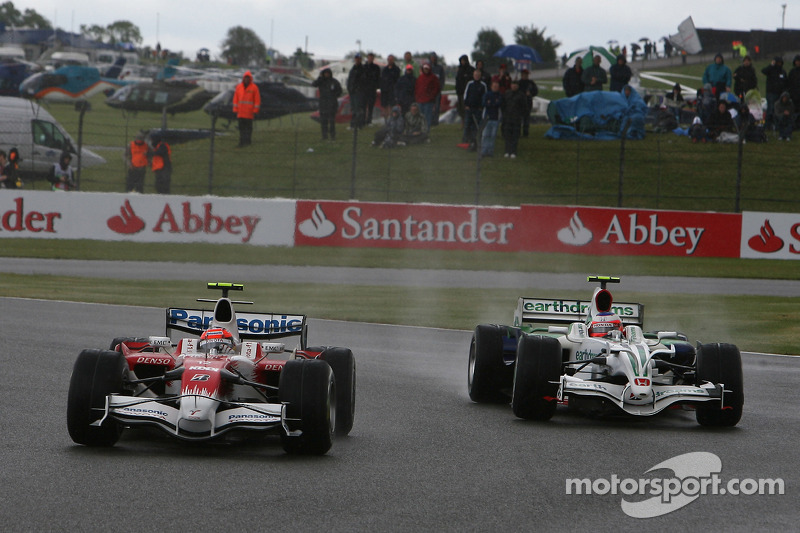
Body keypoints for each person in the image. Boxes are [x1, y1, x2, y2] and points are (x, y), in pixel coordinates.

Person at [312, 67, 343, 141]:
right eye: (325, 73)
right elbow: (314, 84)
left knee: (332, 121)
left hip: (332, 104)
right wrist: (320, 77)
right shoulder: (321, 81)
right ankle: (324, 136)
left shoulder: (334, 82)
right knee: (323, 121)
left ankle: (332, 136)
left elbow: (339, 91)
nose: (326, 75)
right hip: (323, 104)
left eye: (328, 73)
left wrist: (334, 96)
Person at [232, 70, 261, 147]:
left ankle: (248, 141)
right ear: (243, 78)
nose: (246, 79)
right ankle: (242, 142)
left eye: (248, 78)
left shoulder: (254, 88)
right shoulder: (238, 87)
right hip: (241, 113)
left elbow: (257, 100)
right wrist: (235, 109)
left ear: (250, 78)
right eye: (245, 78)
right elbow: (235, 99)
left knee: (248, 128)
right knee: (241, 129)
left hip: (249, 113)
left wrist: (255, 110)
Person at [462, 68, 487, 149]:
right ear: (473, 75)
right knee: (467, 124)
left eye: (478, 75)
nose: (477, 76)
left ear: (480, 76)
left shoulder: (483, 85)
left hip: (478, 109)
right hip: (469, 108)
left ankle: (474, 140)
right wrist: (466, 104)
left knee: (475, 126)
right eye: (475, 75)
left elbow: (485, 97)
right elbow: (465, 94)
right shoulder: (470, 84)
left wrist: (481, 107)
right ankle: (465, 140)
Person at [501, 80, 526, 158]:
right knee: (507, 135)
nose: (514, 86)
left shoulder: (521, 95)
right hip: (507, 118)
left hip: (516, 119)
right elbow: (503, 105)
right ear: (511, 85)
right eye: (513, 84)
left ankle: (513, 151)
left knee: (515, 135)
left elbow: (524, 107)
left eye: (515, 85)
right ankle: (507, 151)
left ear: (518, 86)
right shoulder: (507, 93)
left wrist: (520, 115)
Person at [762, 56, 787, 129]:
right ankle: (767, 125)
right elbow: (764, 71)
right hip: (771, 93)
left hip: (780, 94)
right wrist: (771, 65)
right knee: (770, 109)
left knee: (778, 110)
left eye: (780, 63)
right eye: (777, 63)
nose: (779, 64)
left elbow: (785, 82)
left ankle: (777, 125)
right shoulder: (771, 70)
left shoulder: (783, 72)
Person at [414, 62, 441, 131]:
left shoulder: (433, 77)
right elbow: (417, 88)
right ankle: (420, 130)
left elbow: (436, 88)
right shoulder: (420, 78)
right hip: (420, 101)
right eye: (424, 69)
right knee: (420, 117)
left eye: (427, 69)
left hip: (428, 101)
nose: (426, 70)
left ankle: (426, 131)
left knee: (427, 117)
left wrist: (431, 96)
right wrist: (417, 97)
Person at [480, 80, 503, 157]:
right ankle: (484, 151)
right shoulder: (487, 94)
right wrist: (493, 103)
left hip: (496, 118)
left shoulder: (500, 95)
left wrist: (491, 103)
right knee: (485, 135)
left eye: (497, 86)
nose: (495, 88)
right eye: (494, 86)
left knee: (493, 136)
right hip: (487, 118)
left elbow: (499, 103)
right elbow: (484, 103)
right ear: (491, 86)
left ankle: (490, 151)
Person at [347, 53, 369, 129]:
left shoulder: (362, 69)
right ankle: (353, 124)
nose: (357, 60)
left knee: (359, 109)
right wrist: (349, 89)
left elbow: (364, 81)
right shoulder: (353, 69)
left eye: (359, 58)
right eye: (356, 58)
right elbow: (350, 80)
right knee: (353, 108)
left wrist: (359, 89)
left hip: (359, 92)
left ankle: (359, 124)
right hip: (353, 92)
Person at [516, 69, 538, 137]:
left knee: (526, 119)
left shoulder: (531, 83)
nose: (525, 76)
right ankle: (518, 133)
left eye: (526, 75)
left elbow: (536, 91)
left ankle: (525, 133)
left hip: (528, 103)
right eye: (524, 74)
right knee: (518, 119)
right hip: (519, 103)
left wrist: (530, 93)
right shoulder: (518, 83)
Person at [363, 52, 381, 125]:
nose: (370, 59)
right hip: (364, 89)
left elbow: (378, 78)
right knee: (364, 105)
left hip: (372, 89)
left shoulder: (376, 68)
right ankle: (363, 120)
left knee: (371, 105)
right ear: (367, 58)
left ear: (373, 58)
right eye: (369, 57)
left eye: (372, 58)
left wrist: (376, 86)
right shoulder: (363, 67)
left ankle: (369, 120)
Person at [454, 54, 474, 120]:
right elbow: (457, 80)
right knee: (460, 108)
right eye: (461, 61)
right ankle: (463, 121)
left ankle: (467, 121)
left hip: (467, 92)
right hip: (460, 91)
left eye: (463, 60)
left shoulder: (471, 70)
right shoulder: (459, 69)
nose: (462, 62)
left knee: (465, 107)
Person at [428, 52, 445, 126]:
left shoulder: (440, 68)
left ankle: (435, 121)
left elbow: (442, 78)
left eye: (434, 57)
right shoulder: (428, 67)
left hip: (437, 90)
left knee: (437, 106)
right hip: (429, 91)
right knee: (429, 106)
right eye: (432, 57)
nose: (433, 59)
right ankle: (430, 120)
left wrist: (440, 87)